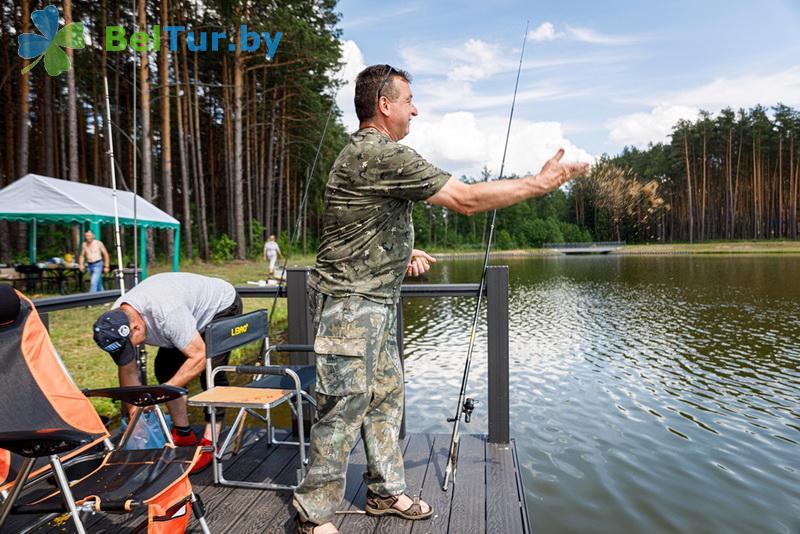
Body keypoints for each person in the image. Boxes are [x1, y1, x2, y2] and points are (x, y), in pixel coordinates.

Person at [292, 64, 589, 534]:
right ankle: (313, 516)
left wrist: (399, 252)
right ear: (384, 105)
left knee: (386, 400)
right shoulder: (381, 155)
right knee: (342, 410)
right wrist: (539, 184)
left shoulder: (366, 155)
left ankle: (384, 492)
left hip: (374, 302)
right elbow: (466, 199)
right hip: (351, 307)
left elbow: (354, 224)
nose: (416, 108)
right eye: (409, 99)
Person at [92, 272, 242, 473]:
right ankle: (183, 433)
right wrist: (136, 414)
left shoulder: (166, 313)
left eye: (129, 346)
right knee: (164, 368)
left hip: (221, 306)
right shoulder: (114, 322)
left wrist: (160, 393)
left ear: (136, 327)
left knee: (211, 374)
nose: (129, 351)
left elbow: (198, 356)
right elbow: (127, 370)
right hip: (183, 316)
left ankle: (209, 443)